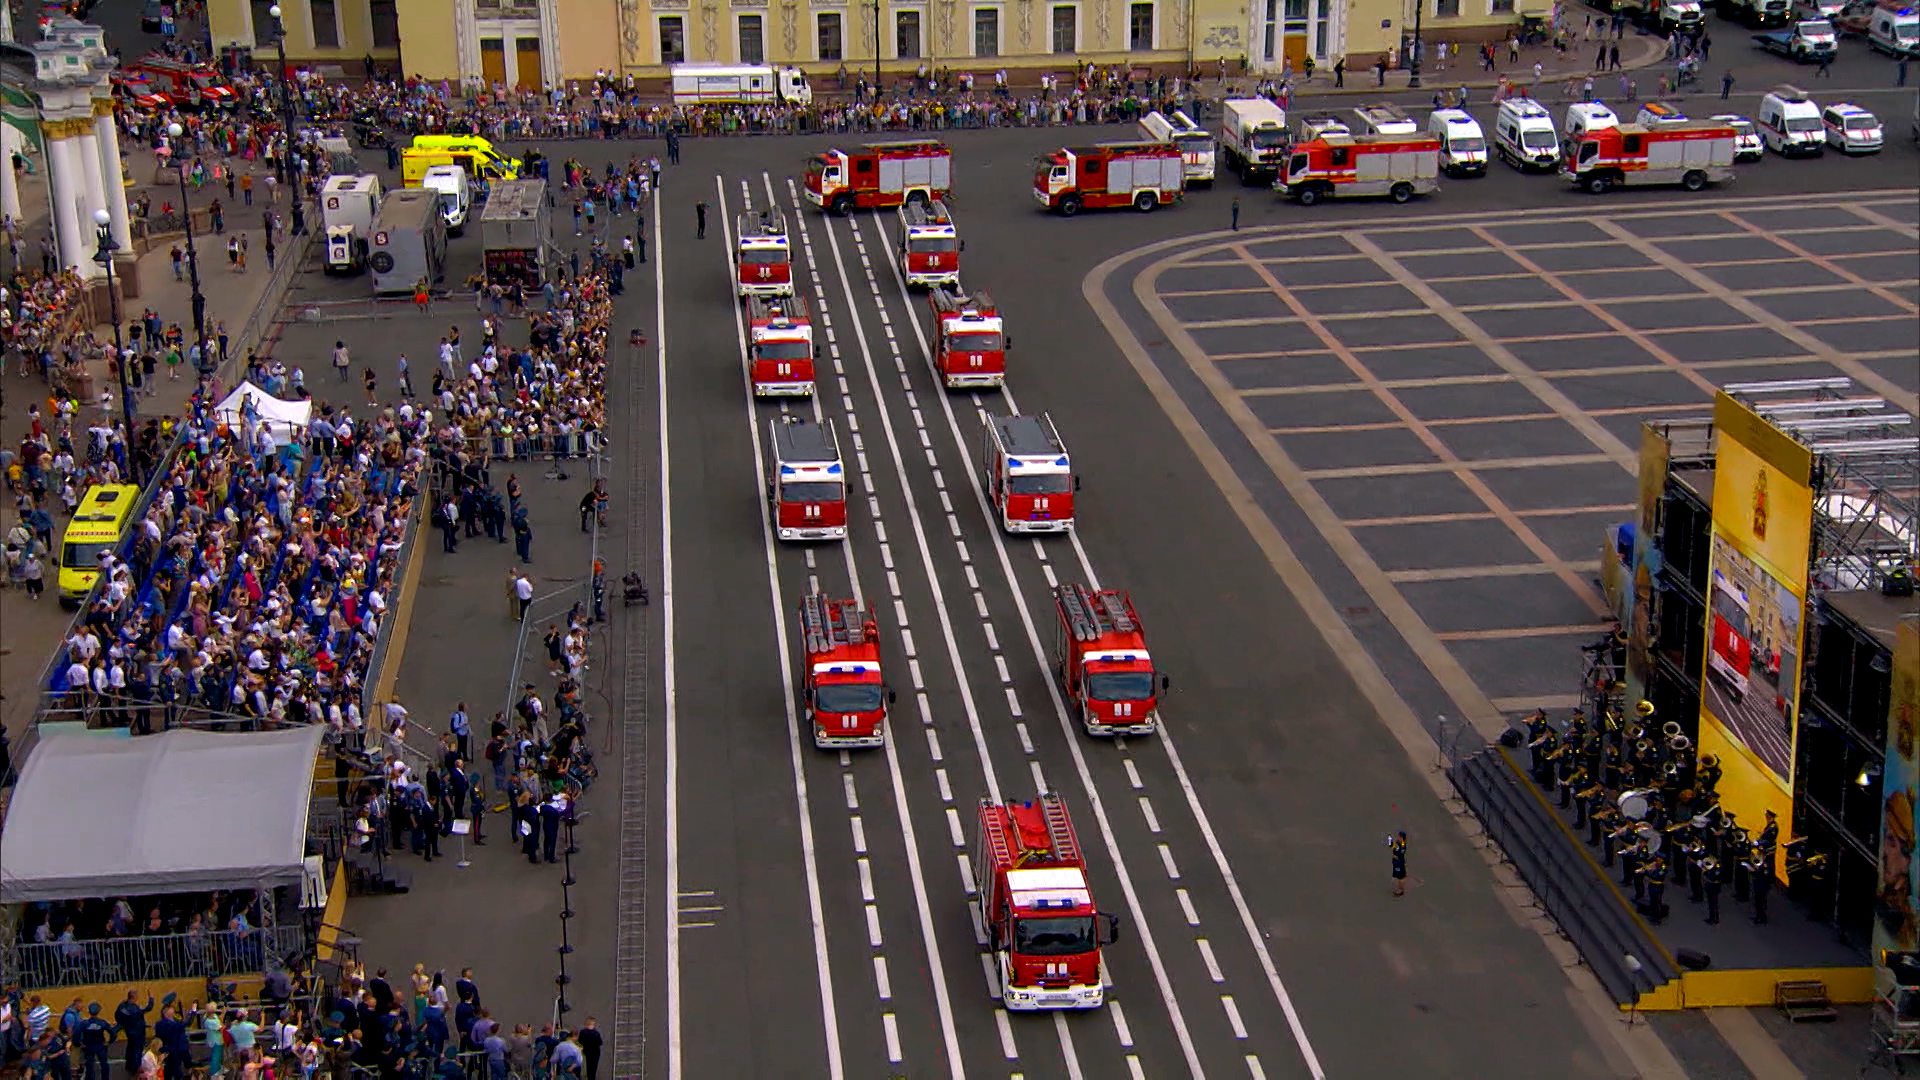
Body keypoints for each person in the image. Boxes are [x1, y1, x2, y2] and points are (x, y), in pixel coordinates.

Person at [1388, 831, 1408, 897]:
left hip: (1399, 862)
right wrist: (1390, 840)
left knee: (1400, 877)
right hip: (1396, 861)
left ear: (1402, 838)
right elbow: (1392, 846)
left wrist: (1396, 847)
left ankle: (1401, 890)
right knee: (1398, 875)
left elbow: (1400, 853)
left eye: (1399, 836)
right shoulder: (1398, 842)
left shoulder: (1402, 845)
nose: (1398, 837)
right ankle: (1400, 888)